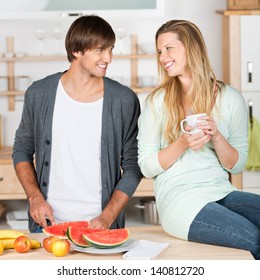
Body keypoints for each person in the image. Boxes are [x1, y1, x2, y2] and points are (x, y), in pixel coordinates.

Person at [137, 19, 260, 259]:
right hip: (179, 199)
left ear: (191, 48)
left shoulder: (230, 98)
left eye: (169, 48)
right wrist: (182, 143)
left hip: (221, 191)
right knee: (252, 238)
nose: (163, 57)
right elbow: (146, 166)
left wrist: (216, 136)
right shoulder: (157, 102)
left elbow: (236, 164)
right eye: (160, 51)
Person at [12, 15, 142, 233]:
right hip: (48, 223)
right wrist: (35, 198)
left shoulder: (123, 100)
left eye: (111, 49)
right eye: (100, 50)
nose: (108, 58)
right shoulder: (39, 93)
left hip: (101, 226)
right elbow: (22, 150)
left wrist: (107, 218)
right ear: (76, 51)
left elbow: (133, 167)